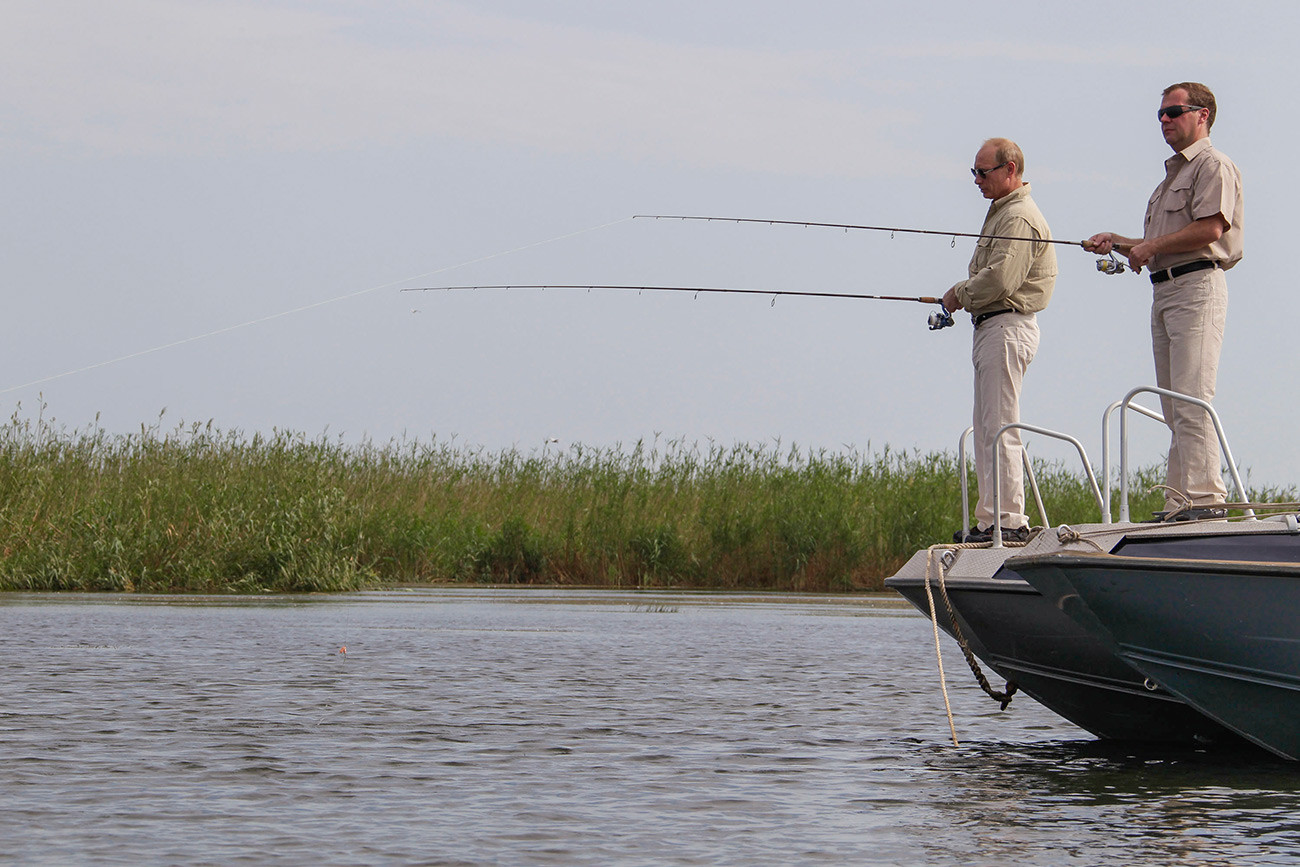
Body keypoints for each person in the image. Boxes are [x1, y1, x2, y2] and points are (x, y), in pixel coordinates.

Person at [1084, 82, 1243, 521]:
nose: (1165, 120)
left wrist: (1150, 248)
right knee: (1174, 404)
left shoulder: (1213, 165)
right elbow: (1158, 243)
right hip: (1165, 291)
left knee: (1192, 398)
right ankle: (1181, 501)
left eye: (1174, 112)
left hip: (1197, 288)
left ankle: (1207, 502)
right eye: (1160, 114)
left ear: (1202, 115)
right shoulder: (1169, 178)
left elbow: (1210, 229)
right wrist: (1118, 242)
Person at [943, 138, 1057, 543]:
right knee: (987, 424)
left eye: (983, 172)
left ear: (1010, 170)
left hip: (1008, 326)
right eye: (973, 172)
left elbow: (1001, 279)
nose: (976, 180)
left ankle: (1008, 521)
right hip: (993, 327)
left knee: (1000, 424)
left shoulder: (1018, 217)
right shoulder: (1002, 214)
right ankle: (991, 519)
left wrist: (959, 294)